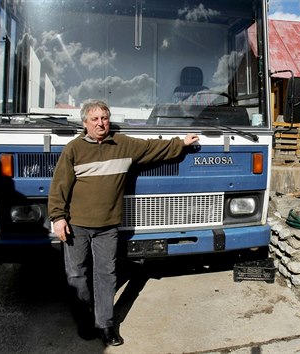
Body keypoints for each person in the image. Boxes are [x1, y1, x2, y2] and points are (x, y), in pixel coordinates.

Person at [48, 99, 199, 346]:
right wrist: (58, 217)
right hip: (77, 226)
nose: (100, 123)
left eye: (104, 118)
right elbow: (59, 186)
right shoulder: (73, 149)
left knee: (106, 275)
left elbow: (153, 148)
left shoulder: (123, 144)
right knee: (76, 275)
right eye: (95, 119)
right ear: (85, 123)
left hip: (108, 226)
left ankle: (105, 325)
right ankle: (84, 320)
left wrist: (180, 143)